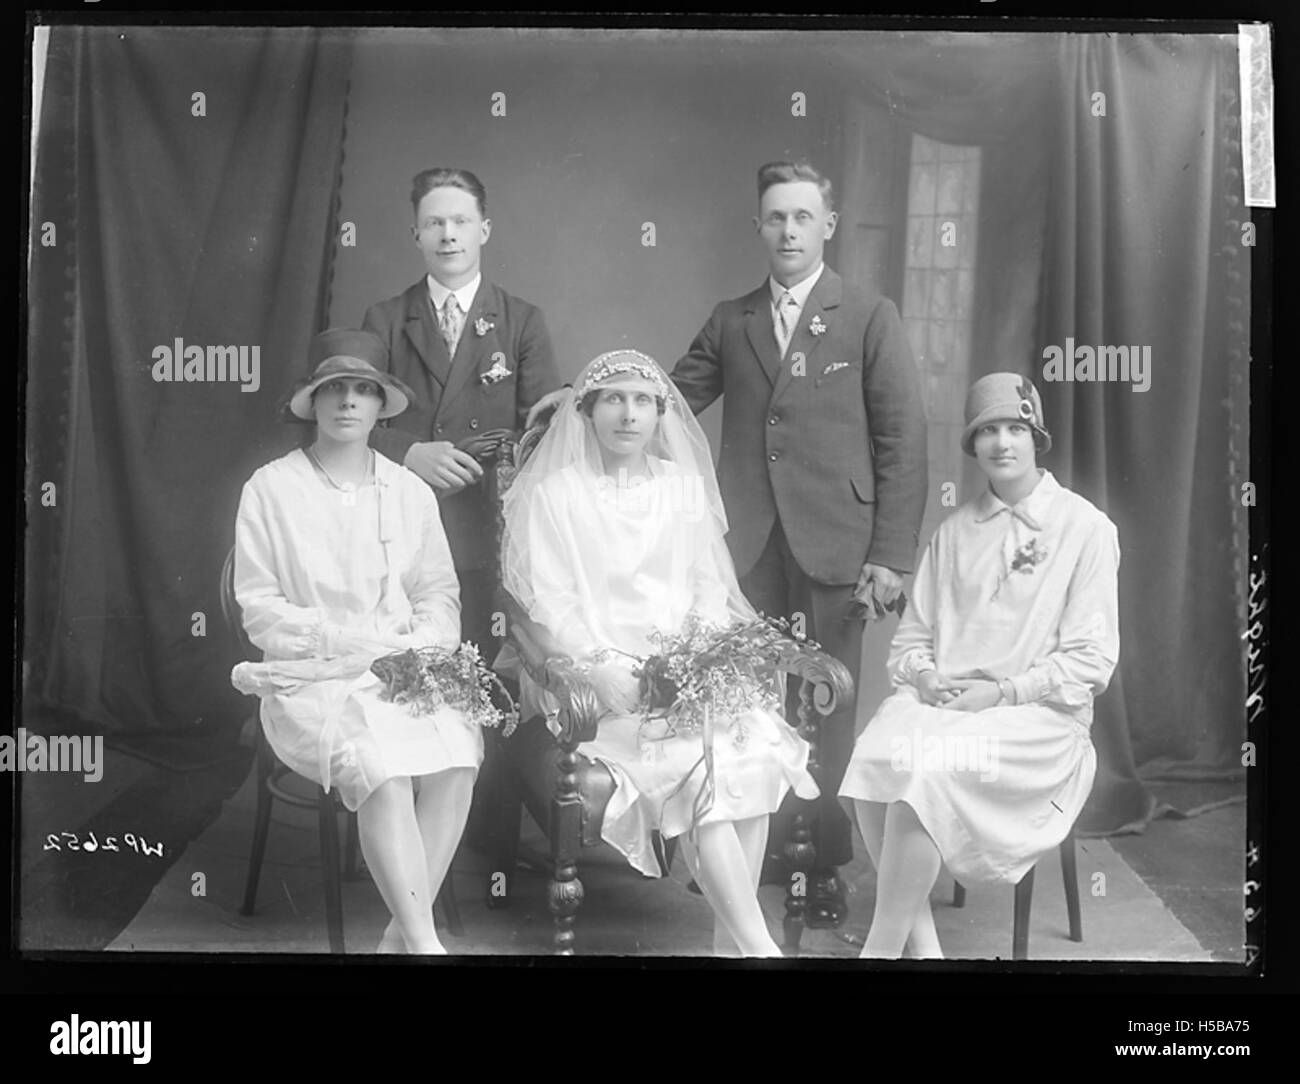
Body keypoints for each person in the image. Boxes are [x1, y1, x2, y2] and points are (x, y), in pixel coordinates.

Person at [501, 349, 819, 957]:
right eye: (613, 400)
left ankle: (740, 949)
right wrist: (603, 668)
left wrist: (697, 660)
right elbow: (555, 606)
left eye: (642, 401)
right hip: (604, 683)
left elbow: (708, 586)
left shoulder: (681, 488)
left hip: (686, 672)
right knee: (700, 769)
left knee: (749, 757)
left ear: (660, 413)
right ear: (588, 412)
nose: (628, 414)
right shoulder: (556, 496)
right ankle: (759, 950)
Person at [839, 373, 1120, 958]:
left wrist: (1002, 694)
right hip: (948, 703)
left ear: (1035, 435)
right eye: (987, 430)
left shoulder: (1086, 528)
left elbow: (1091, 660)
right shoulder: (954, 532)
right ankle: (924, 951)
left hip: (1038, 719)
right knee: (872, 758)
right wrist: (927, 678)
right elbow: (909, 642)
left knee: (927, 769)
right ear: (972, 445)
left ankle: (879, 952)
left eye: (1015, 427)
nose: (1001, 442)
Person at [230, 328, 483, 955]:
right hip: (312, 681)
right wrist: (343, 640)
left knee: (459, 755)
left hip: (400, 673)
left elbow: (438, 593)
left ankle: (401, 939)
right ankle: (425, 948)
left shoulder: (410, 491)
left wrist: (418, 647)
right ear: (312, 403)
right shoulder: (271, 489)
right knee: (384, 768)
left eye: (363, 390)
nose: (348, 402)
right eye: (334, 389)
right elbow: (259, 609)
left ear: (380, 407)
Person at [362, 167, 562, 858]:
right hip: (402, 538)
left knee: (483, 680)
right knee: (405, 677)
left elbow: (550, 430)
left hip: (486, 534)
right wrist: (409, 450)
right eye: (433, 222)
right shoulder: (386, 320)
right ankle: (394, 840)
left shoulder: (521, 321)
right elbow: (348, 419)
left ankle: (486, 845)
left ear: (484, 229)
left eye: (459, 221)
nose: (447, 234)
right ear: (415, 234)